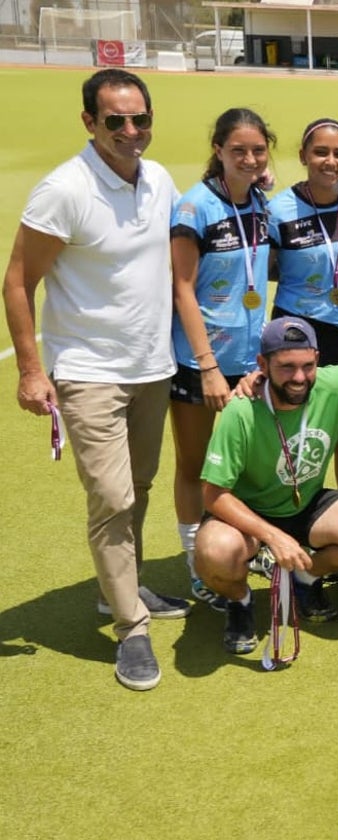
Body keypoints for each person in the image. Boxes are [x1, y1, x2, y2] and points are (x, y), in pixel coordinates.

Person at [3, 69, 187, 691]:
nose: (131, 132)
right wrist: (32, 369)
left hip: (151, 365)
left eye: (140, 119)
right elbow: (17, 281)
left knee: (138, 484)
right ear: (90, 122)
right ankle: (130, 628)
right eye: (116, 121)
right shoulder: (65, 190)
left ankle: (119, 591)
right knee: (111, 498)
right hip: (88, 372)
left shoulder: (158, 179)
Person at [193, 318, 338, 655]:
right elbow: (214, 495)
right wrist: (274, 537)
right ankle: (240, 601)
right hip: (247, 513)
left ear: (318, 358)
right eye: (286, 367)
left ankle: (304, 578)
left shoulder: (335, 382)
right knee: (214, 553)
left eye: (307, 365)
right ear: (262, 365)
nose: (299, 377)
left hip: (306, 503)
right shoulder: (240, 410)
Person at [170, 108, 274, 611]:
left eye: (258, 150)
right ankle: (196, 562)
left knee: (241, 465)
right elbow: (182, 289)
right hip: (202, 363)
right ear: (217, 150)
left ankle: (241, 548)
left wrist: (258, 180)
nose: (250, 159)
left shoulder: (259, 201)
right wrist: (207, 365)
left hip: (249, 360)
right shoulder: (195, 208)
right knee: (195, 466)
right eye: (239, 151)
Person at [267, 118, 338, 493]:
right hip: (298, 332)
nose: (330, 161)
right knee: (295, 431)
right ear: (303, 156)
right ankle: (287, 514)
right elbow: (264, 267)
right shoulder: (278, 209)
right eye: (321, 152)